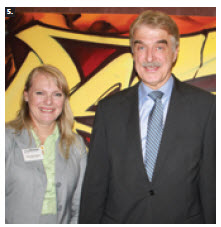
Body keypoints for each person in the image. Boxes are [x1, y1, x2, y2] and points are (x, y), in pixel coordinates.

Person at [79, 10, 215, 224]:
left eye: (159, 47)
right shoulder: (109, 110)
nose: (149, 57)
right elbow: (95, 184)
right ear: (133, 52)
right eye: (141, 47)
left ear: (175, 52)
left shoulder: (206, 107)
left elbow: (211, 186)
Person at [5, 65, 87, 224]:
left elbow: (80, 205)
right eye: (40, 93)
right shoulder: (7, 139)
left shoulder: (76, 145)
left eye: (57, 94)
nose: (48, 101)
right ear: (26, 95)